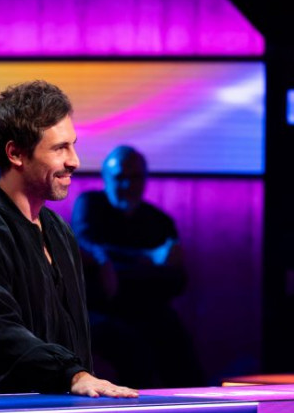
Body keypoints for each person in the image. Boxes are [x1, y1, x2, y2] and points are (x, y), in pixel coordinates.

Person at [0, 80, 138, 398]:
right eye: (60, 148)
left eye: (73, 145)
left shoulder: (58, 229)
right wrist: (71, 375)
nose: (74, 161)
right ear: (15, 153)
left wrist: (78, 381)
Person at [71, 145, 203, 388]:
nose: (127, 185)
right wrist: (150, 259)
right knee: (128, 344)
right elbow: (87, 245)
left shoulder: (159, 220)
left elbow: (177, 279)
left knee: (175, 342)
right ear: (105, 179)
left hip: (146, 307)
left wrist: (117, 269)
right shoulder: (90, 205)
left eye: (135, 178)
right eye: (120, 177)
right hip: (99, 308)